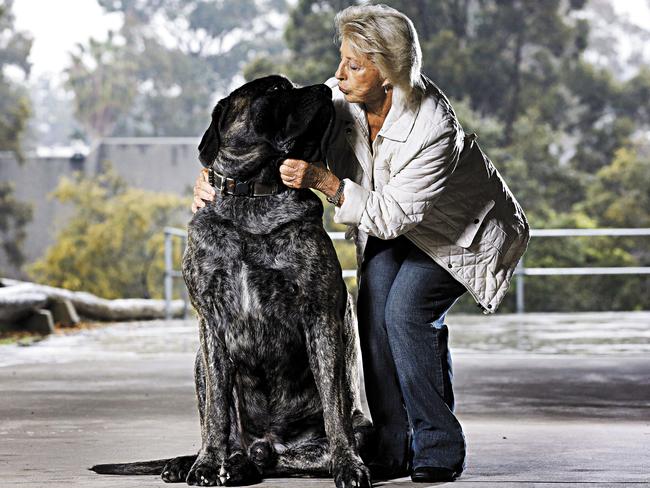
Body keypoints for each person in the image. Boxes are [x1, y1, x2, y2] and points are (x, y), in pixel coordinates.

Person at [191, 4, 529, 483]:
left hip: (461, 234)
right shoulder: (339, 99)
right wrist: (210, 179)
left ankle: (438, 446)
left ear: (388, 74)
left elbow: (390, 216)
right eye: (342, 59)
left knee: (406, 314)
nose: (339, 73)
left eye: (354, 64)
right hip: (393, 219)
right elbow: (256, 139)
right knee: (371, 313)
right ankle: (392, 448)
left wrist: (326, 184)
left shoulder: (434, 127)